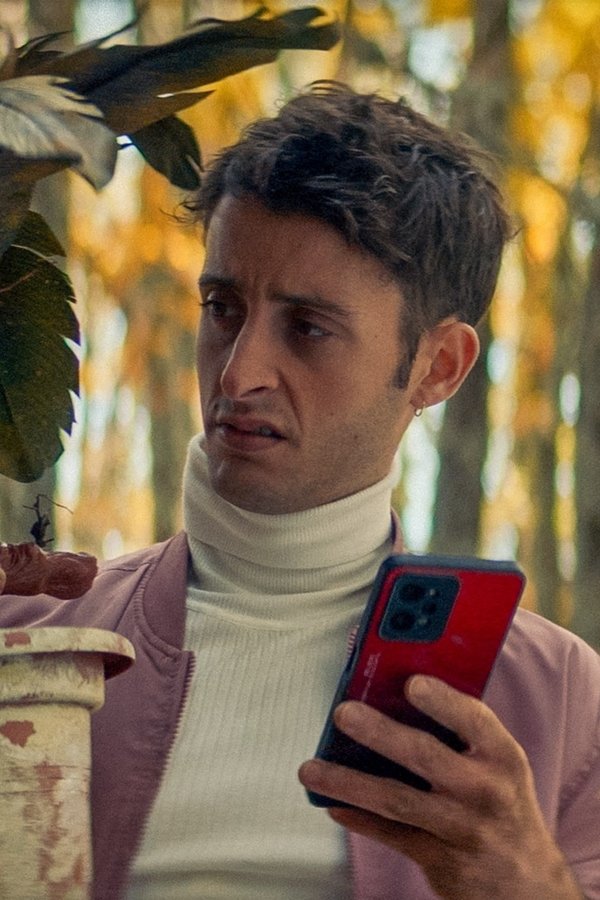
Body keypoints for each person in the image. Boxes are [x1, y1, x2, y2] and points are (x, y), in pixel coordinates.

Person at [1, 82, 598, 900]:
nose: (238, 374)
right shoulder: (33, 642)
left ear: (438, 366)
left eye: (308, 327)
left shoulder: (560, 701)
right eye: (222, 307)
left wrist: (528, 885)